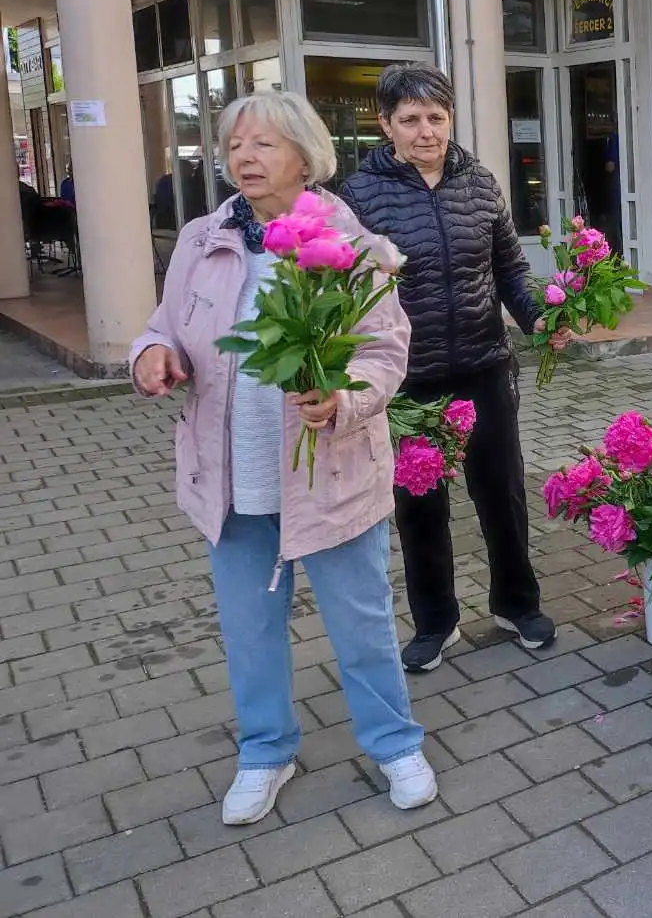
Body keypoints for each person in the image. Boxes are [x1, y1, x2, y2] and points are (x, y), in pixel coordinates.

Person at [130, 91, 435, 826]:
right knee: (249, 630)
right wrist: (152, 354)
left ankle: (394, 742)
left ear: (306, 154)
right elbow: (161, 323)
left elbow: (385, 352)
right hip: (232, 477)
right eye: (236, 144)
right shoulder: (206, 239)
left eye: (263, 143)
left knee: (361, 624)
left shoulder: (353, 245)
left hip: (328, 472)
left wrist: (344, 400)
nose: (244, 157)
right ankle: (266, 751)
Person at [340, 63, 570, 673]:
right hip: (408, 379)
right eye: (410, 120)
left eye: (436, 117)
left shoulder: (481, 184)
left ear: (450, 119)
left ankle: (517, 605)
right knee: (420, 506)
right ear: (386, 125)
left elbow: (510, 270)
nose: (425, 131)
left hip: (484, 365)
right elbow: (343, 290)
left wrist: (540, 318)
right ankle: (436, 622)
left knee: (503, 494)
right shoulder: (358, 197)